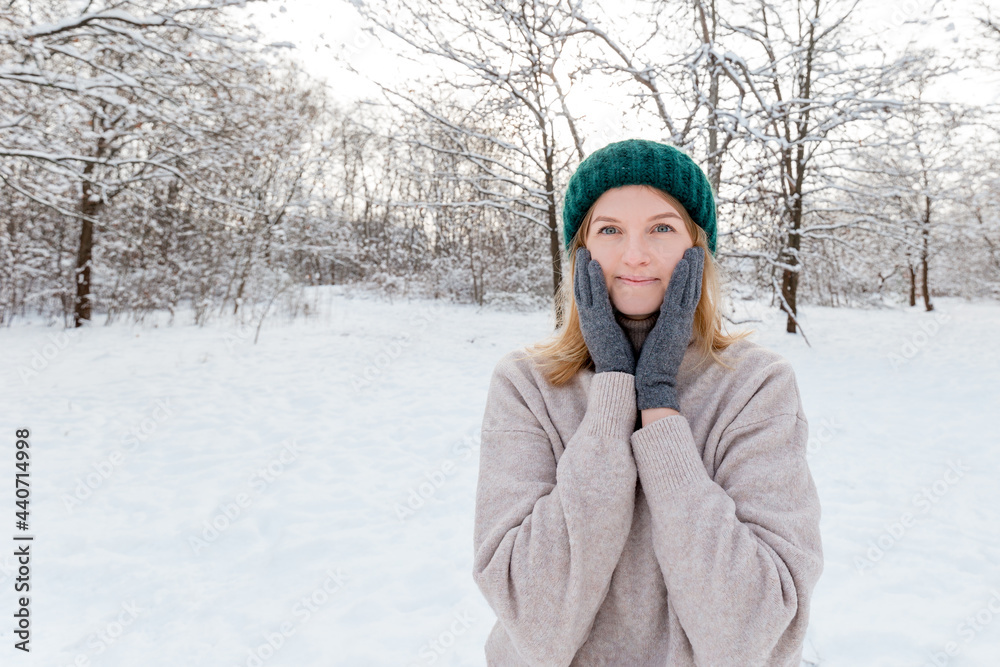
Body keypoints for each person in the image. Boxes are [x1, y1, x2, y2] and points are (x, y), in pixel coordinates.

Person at [472, 138, 824, 666]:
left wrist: (658, 404)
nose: (635, 254)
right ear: (580, 253)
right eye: (610, 230)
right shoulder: (526, 385)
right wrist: (615, 389)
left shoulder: (756, 385)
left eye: (662, 227)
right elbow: (533, 620)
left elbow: (751, 632)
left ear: (697, 249)